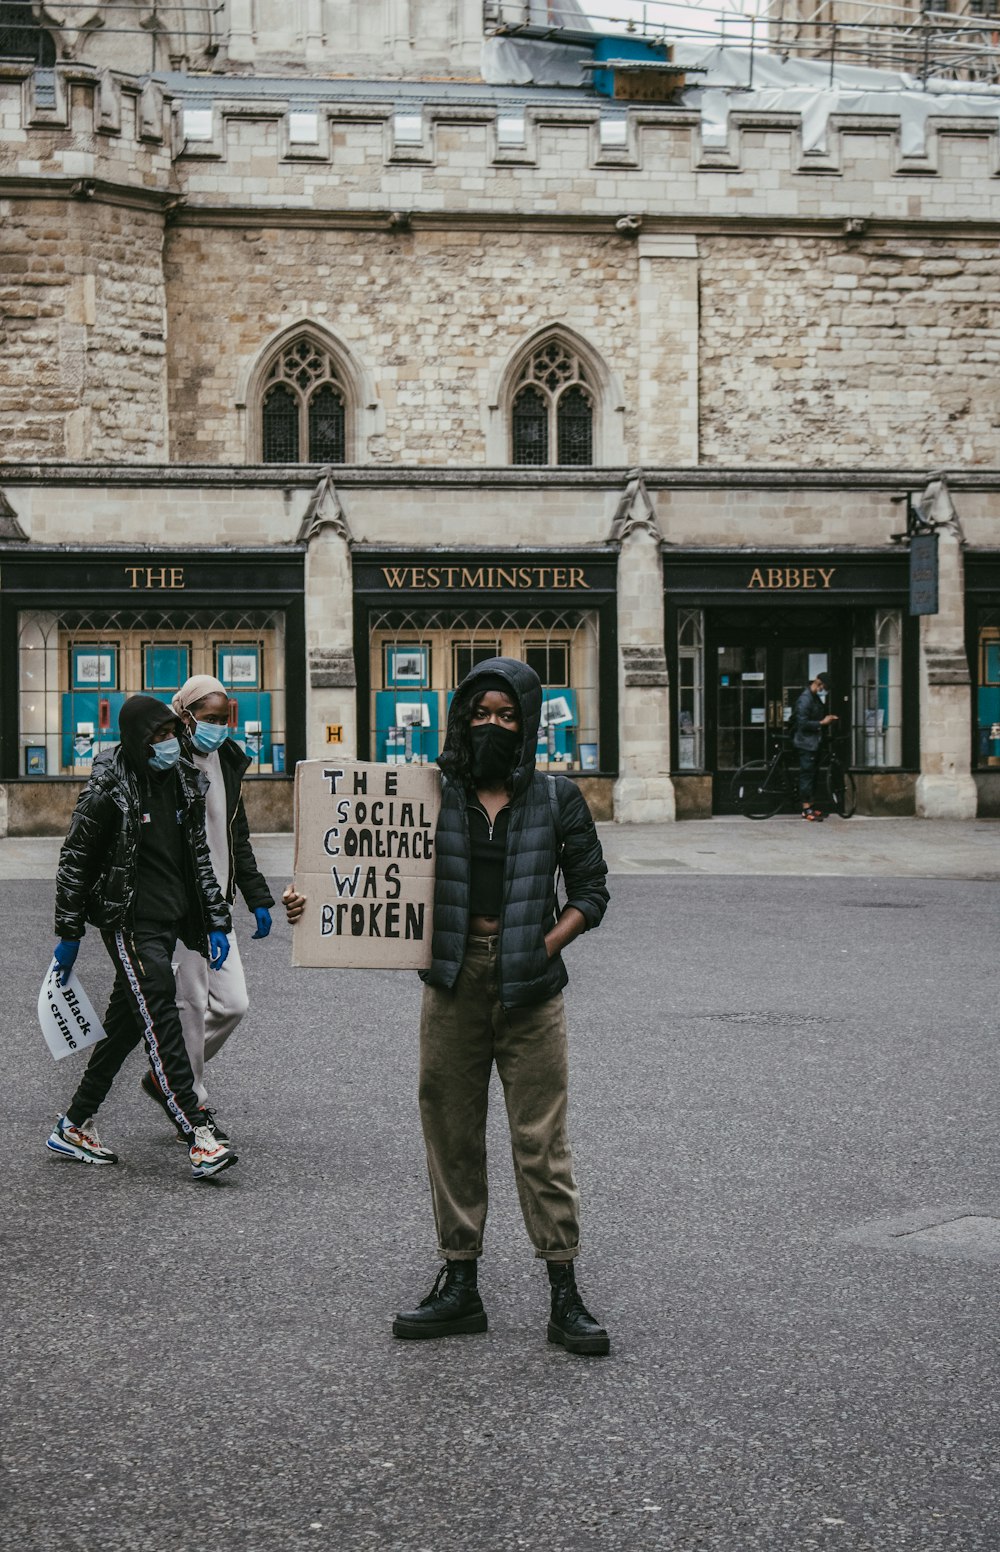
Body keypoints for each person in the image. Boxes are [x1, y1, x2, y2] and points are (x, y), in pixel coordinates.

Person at [284, 657, 611, 1354]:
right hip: (453, 985)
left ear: (526, 723)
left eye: (506, 713)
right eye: (479, 712)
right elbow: (364, 869)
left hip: (531, 990)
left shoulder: (558, 799)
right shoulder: (428, 795)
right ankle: (459, 1283)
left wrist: (545, 945)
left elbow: (591, 890)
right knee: (452, 1135)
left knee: (541, 1141)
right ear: (461, 719)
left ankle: (564, 1288)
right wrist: (313, 904)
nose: (491, 724)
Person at [46, 695, 238, 1180]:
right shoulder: (109, 788)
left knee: (126, 1024)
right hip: (131, 922)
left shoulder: (184, 783)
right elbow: (74, 863)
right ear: (136, 740)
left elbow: (198, 860)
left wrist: (216, 920)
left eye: (172, 733)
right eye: (157, 736)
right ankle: (198, 1134)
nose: (168, 743)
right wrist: (68, 934)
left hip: (173, 920)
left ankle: (73, 1124)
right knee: (160, 1018)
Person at [132, 675, 273, 1143]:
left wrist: (257, 897)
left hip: (219, 904)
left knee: (233, 1004)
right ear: (185, 714)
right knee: (191, 1006)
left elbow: (237, 837)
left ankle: (165, 1077)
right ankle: (191, 1101)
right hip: (184, 905)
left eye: (224, 719)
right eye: (209, 719)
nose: (218, 728)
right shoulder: (167, 761)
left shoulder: (228, 761)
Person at [791, 670, 839, 821]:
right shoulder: (805, 699)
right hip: (806, 743)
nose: (824, 690)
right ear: (819, 684)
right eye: (824, 687)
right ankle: (806, 809)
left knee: (812, 774)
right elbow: (802, 723)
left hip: (813, 742)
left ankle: (811, 806)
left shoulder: (814, 698)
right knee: (807, 774)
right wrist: (822, 723)